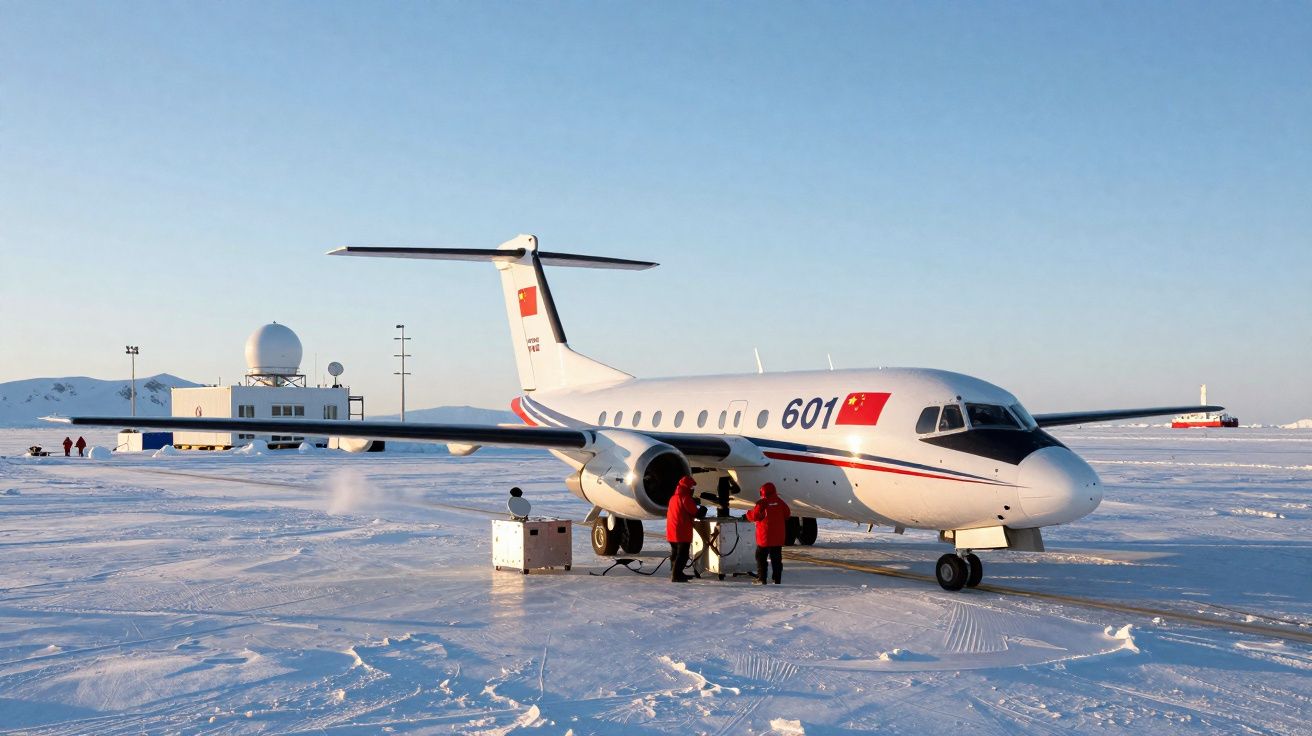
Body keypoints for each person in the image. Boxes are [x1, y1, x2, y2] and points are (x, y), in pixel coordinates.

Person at [746, 482, 792, 585]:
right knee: (776, 559)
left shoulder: (762, 503)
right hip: (778, 538)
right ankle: (777, 579)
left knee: (761, 558)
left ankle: (762, 578)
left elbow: (754, 516)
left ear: (763, 492)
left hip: (764, 537)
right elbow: (787, 514)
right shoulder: (780, 502)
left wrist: (747, 514)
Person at [666, 475, 700, 583]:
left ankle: (675, 572)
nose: (692, 489)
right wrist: (702, 510)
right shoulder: (685, 498)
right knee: (683, 554)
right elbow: (695, 512)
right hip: (681, 531)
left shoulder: (673, 497)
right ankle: (676, 575)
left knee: (675, 553)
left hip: (672, 531)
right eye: (691, 487)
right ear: (688, 487)